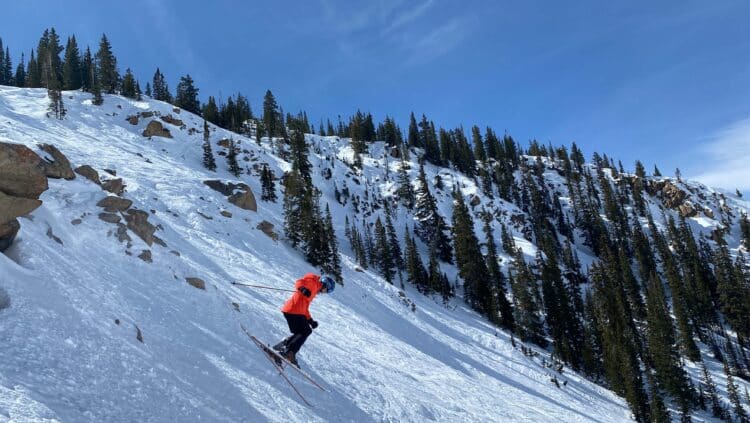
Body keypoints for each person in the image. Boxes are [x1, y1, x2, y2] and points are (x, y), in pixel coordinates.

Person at [273, 273, 335, 367]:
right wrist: (302, 288)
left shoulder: (315, 289)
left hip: (296, 311)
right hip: (294, 310)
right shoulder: (313, 282)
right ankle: (288, 351)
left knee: (302, 332)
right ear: (325, 285)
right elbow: (299, 282)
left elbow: (305, 306)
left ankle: (285, 346)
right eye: (327, 291)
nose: (324, 293)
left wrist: (310, 320)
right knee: (305, 331)